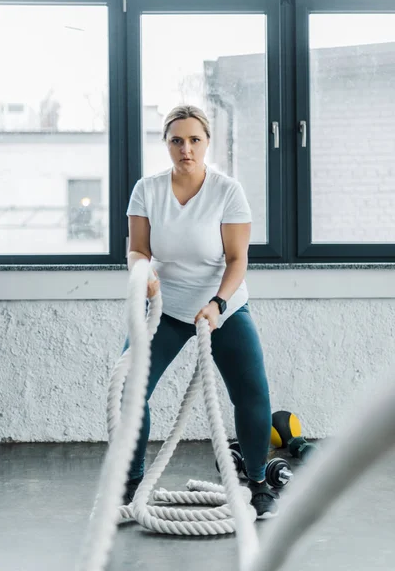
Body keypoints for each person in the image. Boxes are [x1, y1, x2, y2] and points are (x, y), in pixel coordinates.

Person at [122, 104, 277, 519]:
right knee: (129, 391)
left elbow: (237, 259)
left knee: (251, 393)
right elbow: (138, 248)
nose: (186, 149)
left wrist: (218, 304)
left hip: (221, 306)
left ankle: (257, 479)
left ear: (207, 142)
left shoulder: (227, 191)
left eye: (194, 140)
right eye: (177, 140)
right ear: (166, 143)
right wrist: (144, 272)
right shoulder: (147, 190)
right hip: (165, 308)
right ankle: (133, 481)